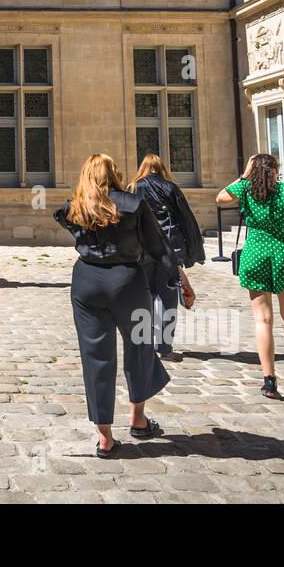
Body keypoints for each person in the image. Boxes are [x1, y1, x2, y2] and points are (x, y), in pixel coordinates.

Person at [54, 153, 177, 457]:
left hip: (87, 283)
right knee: (140, 346)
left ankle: (105, 437)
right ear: (113, 173)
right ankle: (137, 418)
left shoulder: (73, 209)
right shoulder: (133, 204)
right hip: (128, 282)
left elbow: (62, 215)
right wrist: (177, 280)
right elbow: (158, 246)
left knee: (95, 356)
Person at [216, 153, 284, 399]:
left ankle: (269, 381)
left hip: (255, 255)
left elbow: (220, 197)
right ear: (276, 171)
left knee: (262, 320)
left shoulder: (245, 190)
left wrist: (244, 176)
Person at [129, 154, 202, 362]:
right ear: (162, 168)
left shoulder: (133, 187)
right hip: (167, 250)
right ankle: (164, 344)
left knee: (144, 297)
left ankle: (144, 343)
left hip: (142, 249)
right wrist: (191, 250)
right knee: (168, 297)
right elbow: (185, 219)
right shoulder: (170, 188)